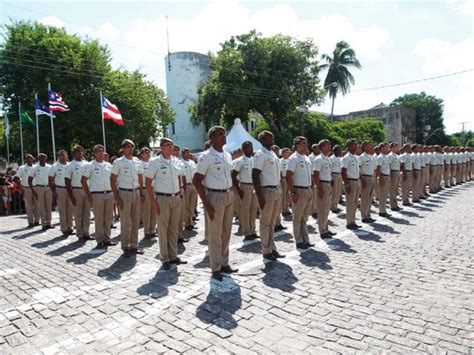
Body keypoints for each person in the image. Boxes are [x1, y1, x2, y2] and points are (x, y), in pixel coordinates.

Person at [193, 126, 238, 281]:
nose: (223, 136)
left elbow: (230, 177)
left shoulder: (227, 155)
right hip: (214, 196)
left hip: (227, 195)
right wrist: (206, 203)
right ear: (211, 138)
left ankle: (224, 263)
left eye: (224, 134)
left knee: (226, 232)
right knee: (215, 235)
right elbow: (196, 181)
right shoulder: (206, 157)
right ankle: (216, 267)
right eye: (220, 134)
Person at [146, 138, 187, 270]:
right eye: (168, 145)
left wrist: (181, 190)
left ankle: (173, 255)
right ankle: (165, 257)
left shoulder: (176, 161)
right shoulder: (155, 162)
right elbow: (148, 183)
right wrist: (153, 201)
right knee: (163, 229)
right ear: (162, 147)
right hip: (162, 198)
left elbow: (180, 176)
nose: (170, 147)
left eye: (172, 145)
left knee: (174, 228)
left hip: (175, 197)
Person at [252, 131, 286, 261]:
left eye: (272, 138)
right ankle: (266, 250)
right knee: (265, 223)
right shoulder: (260, 154)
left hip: (276, 189)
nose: (272, 140)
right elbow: (255, 175)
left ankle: (272, 247)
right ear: (263, 140)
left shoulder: (272, 153)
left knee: (272, 222)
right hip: (266, 191)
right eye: (269, 138)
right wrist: (259, 196)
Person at [111, 139, 145, 257]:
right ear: (123, 148)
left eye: (131, 147)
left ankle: (134, 245)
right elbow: (112, 179)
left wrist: (141, 193)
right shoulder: (118, 162)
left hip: (135, 192)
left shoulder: (137, 161)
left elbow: (140, 178)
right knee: (126, 221)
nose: (130, 149)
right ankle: (125, 246)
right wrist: (116, 196)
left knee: (135, 220)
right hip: (124, 193)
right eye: (127, 146)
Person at [82, 144, 117, 249]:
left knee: (108, 217)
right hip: (97, 195)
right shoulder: (90, 165)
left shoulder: (109, 165)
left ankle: (107, 238)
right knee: (99, 218)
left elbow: (114, 180)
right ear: (94, 153)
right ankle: (100, 239)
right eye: (98, 151)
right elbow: (83, 181)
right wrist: (89, 196)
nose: (101, 153)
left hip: (109, 194)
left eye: (102, 151)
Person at [286, 136, 313, 248]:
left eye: (306, 142)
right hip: (299, 190)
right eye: (303, 143)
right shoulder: (293, 158)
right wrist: (293, 192)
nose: (306, 145)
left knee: (304, 217)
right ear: (297, 145)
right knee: (297, 217)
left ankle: (305, 239)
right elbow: (288, 175)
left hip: (308, 189)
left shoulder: (306, 158)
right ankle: (299, 241)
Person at [232, 141, 258, 241]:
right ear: (243, 149)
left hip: (254, 187)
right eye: (247, 148)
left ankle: (253, 230)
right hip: (245, 186)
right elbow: (233, 175)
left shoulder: (254, 160)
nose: (250, 149)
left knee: (253, 210)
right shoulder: (240, 161)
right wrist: (238, 189)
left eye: (251, 147)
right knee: (245, 210)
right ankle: (247, 232)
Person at [66, 145, 91, 241]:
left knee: (87, 213)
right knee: (78, 213)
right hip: (76, 190)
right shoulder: (70, 165)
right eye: (77, 151)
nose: (79, 153)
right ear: (74, 153)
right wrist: (71, 195)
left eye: (81, 151)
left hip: (87, 190)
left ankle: (86, 232)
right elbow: (67, 181)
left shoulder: (87, 164)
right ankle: (80, 234)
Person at [313, 139, 335, 239]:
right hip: (322, 184)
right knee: (322, 209)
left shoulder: (327, 159)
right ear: (322, 147)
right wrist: (319, 188)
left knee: (326, 209)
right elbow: (316, 175)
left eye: (329, 145)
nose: (329, 147)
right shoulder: (319, 159)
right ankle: (322, 230)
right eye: (327, 145)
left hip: (328, 184)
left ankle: (325, 228)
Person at [49, 150, 73, 237]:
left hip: (70, 189)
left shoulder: (71, 165)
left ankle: (70, 227)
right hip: (60, 189)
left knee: (70, 210)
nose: (63, 156)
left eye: (65, 155)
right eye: (61, 155)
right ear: (58, 157)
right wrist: (54, 192)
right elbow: (50, 180)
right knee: (62, 210)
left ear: (67, 156)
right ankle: (64, 229)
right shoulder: (54, 166)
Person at [28, 153, 53, 230]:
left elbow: (53, 178)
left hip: (48, 187)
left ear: (46, 159)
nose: (42, 159)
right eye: (41, 157)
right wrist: (33, 191)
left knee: (49, 206)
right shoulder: (34, 168)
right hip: (39, 188)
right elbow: (30, 180)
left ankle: (49, 223)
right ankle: (43, 223)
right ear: (38, 159)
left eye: (44, 157)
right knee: (41, 206)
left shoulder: (50, 167)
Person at [14, 154, 40, 227]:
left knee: (38, 204)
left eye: (31, 158)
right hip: (27, 188)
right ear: (26, 159)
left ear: (33, 159)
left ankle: (37, 220)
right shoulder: (22, 168)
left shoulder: (36, 167)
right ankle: (30, 221)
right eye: (28, 158)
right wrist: (21, 188)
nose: (29, 159)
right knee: (29, 206)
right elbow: (16, 178)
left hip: (36, 187)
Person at [341, 139, 361, 230]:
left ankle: (353, 221)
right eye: (354, 144)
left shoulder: (356, 157)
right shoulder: (346, 157)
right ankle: (349, 222)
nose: (356, 146)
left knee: (355, 203)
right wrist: (346, 184)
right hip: (350, 181)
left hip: (356, 181)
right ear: (349, 146)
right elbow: (343, 171)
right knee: (350, 203)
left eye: (356, 144)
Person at [139, 147, 157, 239]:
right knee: (146, 211)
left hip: (154, 189)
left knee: (154, 210)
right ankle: (147, 231)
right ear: (141, 154)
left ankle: (153, 230)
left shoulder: (152, 163)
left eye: (148, 152)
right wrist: (141, 192)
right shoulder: (139, 164)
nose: (148, 153)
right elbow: (139, 180)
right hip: (145, 189)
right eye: (145, 152)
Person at [358, 141, 376, 223]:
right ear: (364, 147)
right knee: (365, 198)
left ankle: (368, 214)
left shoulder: (371, 156)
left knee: (370, 198)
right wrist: (362, 180)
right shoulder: (362, 157)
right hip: (365, 177)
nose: (371, 147)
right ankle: (364, 216)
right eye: (368, 146)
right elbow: (358, 169)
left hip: (371, 177)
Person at [182, 148, 198, 231]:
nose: (187, 154)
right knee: (186, 205)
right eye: (185, 153)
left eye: (188, 152)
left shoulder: (192, 163)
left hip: (193, 185)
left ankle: (191, 221)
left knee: (192, 205)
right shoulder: (181, 163)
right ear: (183, 154)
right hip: (186, 185)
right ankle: (187, 223)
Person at [375, 143, 391, 217]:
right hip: (383, 176)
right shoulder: (380, 157)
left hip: (387, 176)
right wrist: (380, 178)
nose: (387, 149)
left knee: (385, 195)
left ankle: (384, 210)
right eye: (386, 147)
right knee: (382, 195)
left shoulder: (386, 157)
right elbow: (378, 169)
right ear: (381, 148)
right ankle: (381, 211)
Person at [387, 142, 402, 211]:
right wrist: (390, 175)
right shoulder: (390, 156)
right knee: (392, 190)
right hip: (393, 172)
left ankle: (395, 203)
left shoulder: (396, 155)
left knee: (395, 189)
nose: (397, 148)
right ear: (392, 147)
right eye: (396, 147)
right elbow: (389, 166)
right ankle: (392, 205)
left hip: (397, 172)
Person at [329, 145, 343, 213]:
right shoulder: (331, 159)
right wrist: (330, 178)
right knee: (334, 192)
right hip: (334, 174)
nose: (340, 151)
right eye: (339, 150)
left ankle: (336, 205)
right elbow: (329, 169)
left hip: (339, 174)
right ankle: (333, 207)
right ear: (335, 151)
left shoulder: (339, 158)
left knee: (338, 192)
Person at [280, 148, 292, 216]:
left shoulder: (290, 160)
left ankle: (287, 208)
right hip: (284, 178)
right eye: (287, 152)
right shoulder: (281, 161)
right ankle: (283, 209)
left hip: (289, 178)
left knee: (288, 194)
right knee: (284, 194)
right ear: (283, 153)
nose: (288, 154)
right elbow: (281, 171)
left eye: (288, 152)